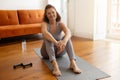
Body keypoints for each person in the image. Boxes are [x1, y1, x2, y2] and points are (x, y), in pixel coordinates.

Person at [41, 4, 81, 76]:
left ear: (56, 13)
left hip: (60, 52)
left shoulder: (60, 24)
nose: (51, 14)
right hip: (46, 53)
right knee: (48, 39)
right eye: (49, 13)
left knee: (67, 38)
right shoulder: (45, 24)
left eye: (53, 12)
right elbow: (45, 33)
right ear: (46, 15)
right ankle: (55, 66)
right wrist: (56, 43)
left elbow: (68, 32)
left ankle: (73, 63)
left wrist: (64, 41)